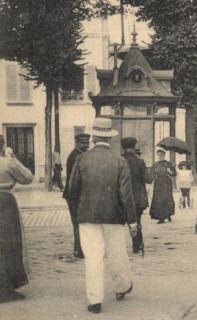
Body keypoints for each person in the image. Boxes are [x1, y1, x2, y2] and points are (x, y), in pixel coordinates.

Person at [67, 117, 138, 314]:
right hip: (114, 215)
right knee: (117, 253)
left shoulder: (81, 159)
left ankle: (94, 300)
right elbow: (126, 194)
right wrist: (132, 221)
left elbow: (72, 190)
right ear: (110, 138)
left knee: (92, 257)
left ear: (94, 136)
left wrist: (80, 209)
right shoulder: (119, 160)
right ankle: (122, 286)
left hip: (87, 215)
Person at [0, 140, 33, 303]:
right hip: (5, 202)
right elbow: (27, 178)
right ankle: (6, 286)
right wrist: (11, 156)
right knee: (9, 243)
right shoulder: (8, 162)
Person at [62, 132, 90, 259]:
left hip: (76, 194)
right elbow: (75, 179)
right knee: (78, 223)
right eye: (84, 143)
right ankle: (79, 250)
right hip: (75, 195)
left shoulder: (79, 155)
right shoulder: (76, 156)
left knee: (80, 222)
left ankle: (80, 249)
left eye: (87, 143)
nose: (86, 145)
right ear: (77, 143)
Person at [120, 137, 150, 254]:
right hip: (137, 198)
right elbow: (148, 179)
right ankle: (137, 245)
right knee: (137, 221)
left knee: (119, 223)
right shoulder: (140, 161)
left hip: (121, 197)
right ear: (134, 147)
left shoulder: (118, 160)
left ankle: (118, 247)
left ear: (122, 147)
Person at [149, 149, 176, 224]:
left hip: (166, 183)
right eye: (159, 155)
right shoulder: (155, 165)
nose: (160, 156)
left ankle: (168, 214)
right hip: (158, 183)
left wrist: (170, 172)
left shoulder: (168, 164)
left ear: (164, 155)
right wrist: (150, 183)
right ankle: (161, 217)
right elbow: (151, 175)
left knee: (167, 199)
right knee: (158, 200)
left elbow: (174, 173)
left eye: (161, 155)